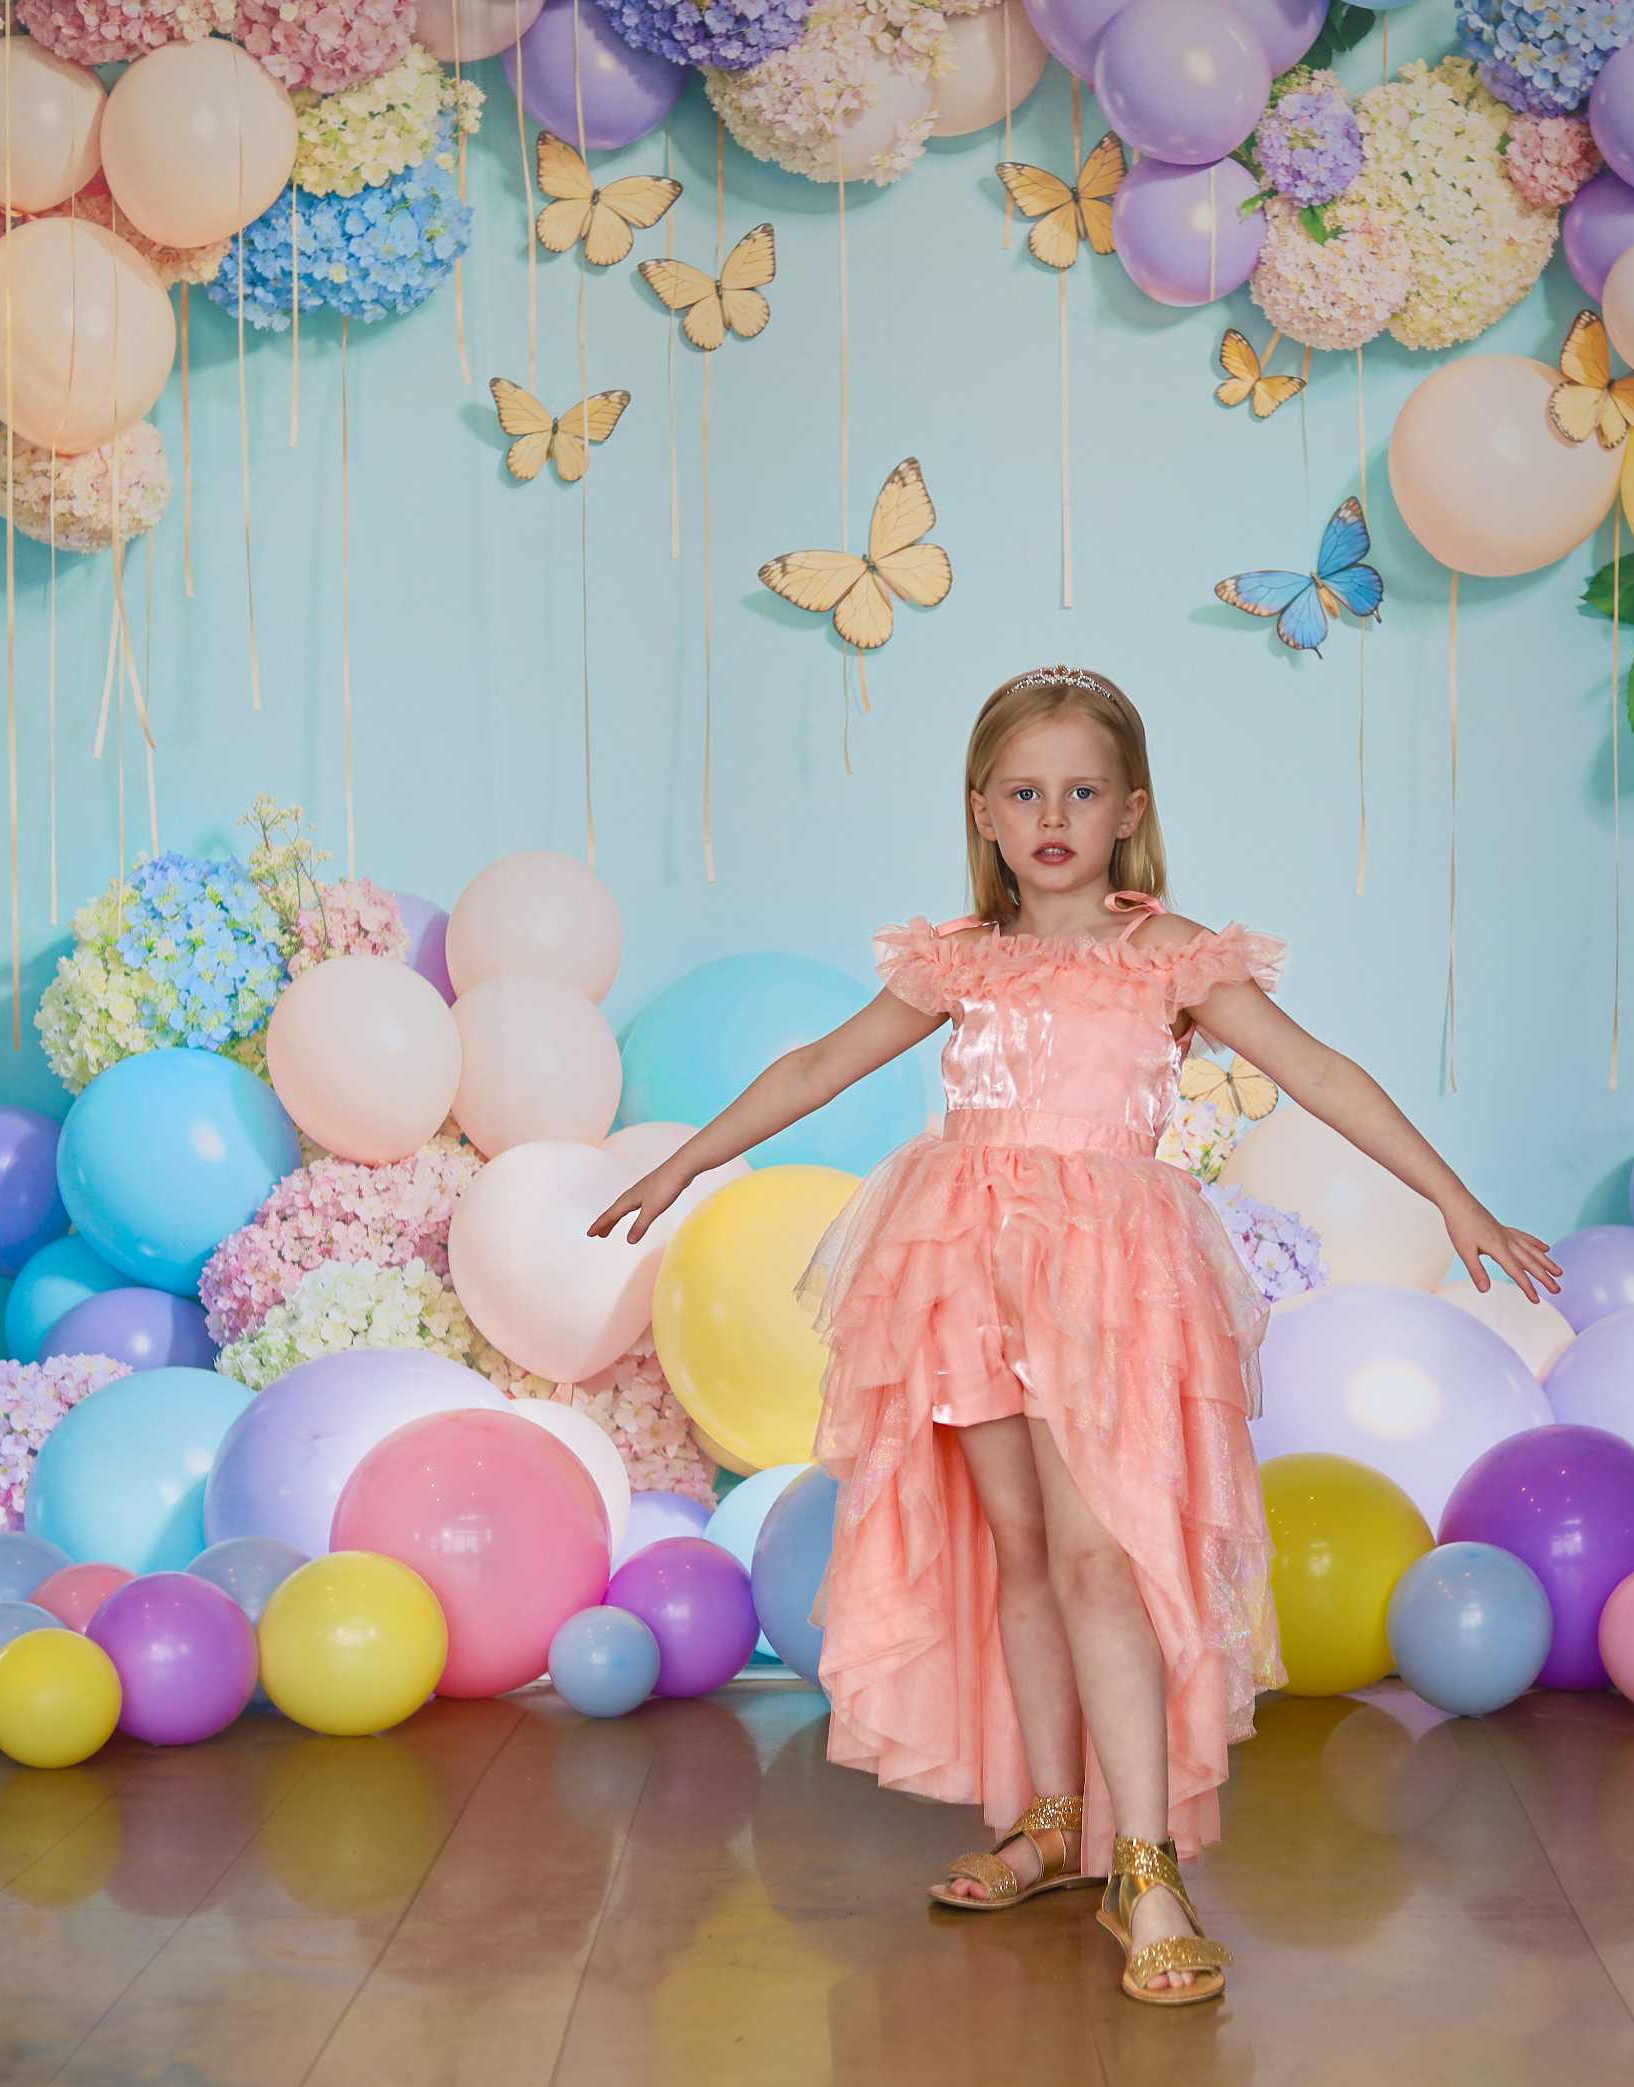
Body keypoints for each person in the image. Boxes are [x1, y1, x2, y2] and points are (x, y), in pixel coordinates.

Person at [590, 663, 1560, 2007]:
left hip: (1109, 1278)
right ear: (983, 810)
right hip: (965, 1267)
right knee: (1026, 1554)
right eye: (1025, 790)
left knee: (1104, 1554)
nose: (1054, 813)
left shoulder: (1166, 956)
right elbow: (815, 1066)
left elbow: (1318, 1070)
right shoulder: (958, 964)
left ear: (1129, 810)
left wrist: (1456, 1197)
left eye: (1083, 790)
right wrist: (682, 1165)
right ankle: (1050, 1820)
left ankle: (1144, 1861)